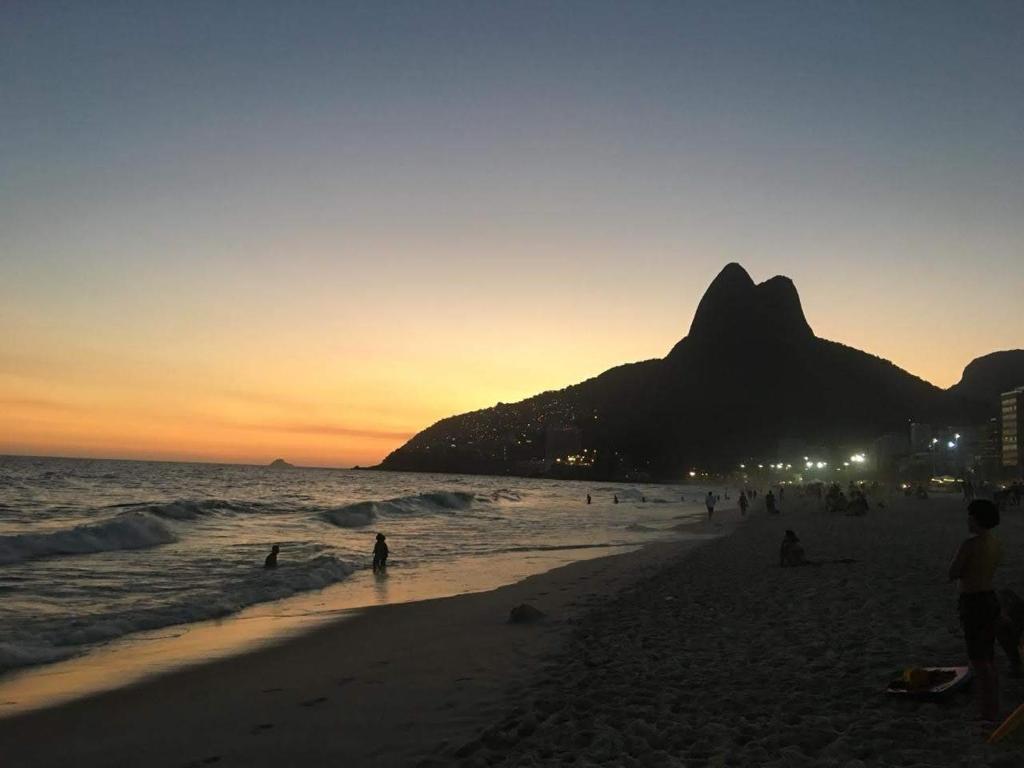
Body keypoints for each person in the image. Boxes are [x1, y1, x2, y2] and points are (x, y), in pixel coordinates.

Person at [948, 499, 1002, 721]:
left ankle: (988, 712)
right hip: (990, 598)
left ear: (977, 519)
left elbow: (953, 572)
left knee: (979, 660)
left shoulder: (969, 544)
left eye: (970, 516)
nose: (967, 520)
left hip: (973, 602)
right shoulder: (995, 542)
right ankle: (990, 705)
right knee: (987, 655)